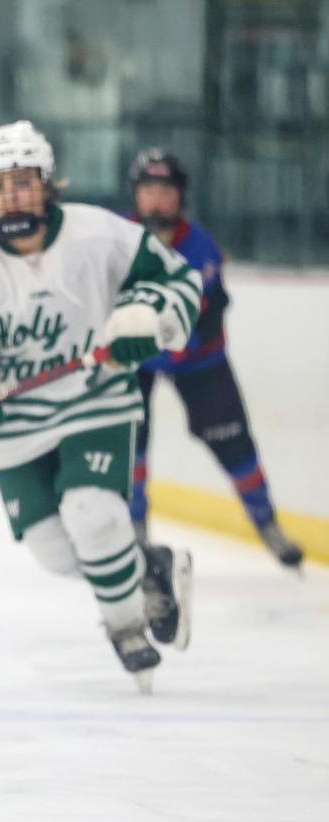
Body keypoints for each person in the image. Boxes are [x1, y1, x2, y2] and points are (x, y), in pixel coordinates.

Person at [0, 121, 200, 691]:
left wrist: (144, 316)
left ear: (48, 183)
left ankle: (127, 629)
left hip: (95, 399)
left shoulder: (99, 234)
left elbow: (178, 282)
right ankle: (151, 573)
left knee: (94, 515)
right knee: (54, 552)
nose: (11, 195)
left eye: (23, 181)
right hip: (15, 421)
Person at [127, 148, 304, 569]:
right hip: (136, 361)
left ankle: (267, 524)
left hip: (199, 362)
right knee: (128, 447)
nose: (156, 199)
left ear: (180, 195)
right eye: (147, 188)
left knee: (235, 444)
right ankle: (134, 536)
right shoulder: (119, 242)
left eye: (165, 189)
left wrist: (177, 339)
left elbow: (211, 314)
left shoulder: (201, 248)